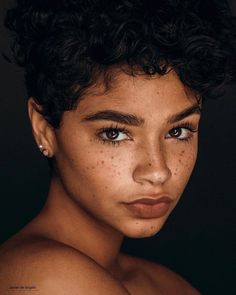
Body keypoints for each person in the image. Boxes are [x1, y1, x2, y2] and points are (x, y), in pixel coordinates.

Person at [0, 0, 235, 294]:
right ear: (45, 128)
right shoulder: (44, 280)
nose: (158, 171)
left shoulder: (164, 284)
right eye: (114, 134)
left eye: (178, 130)